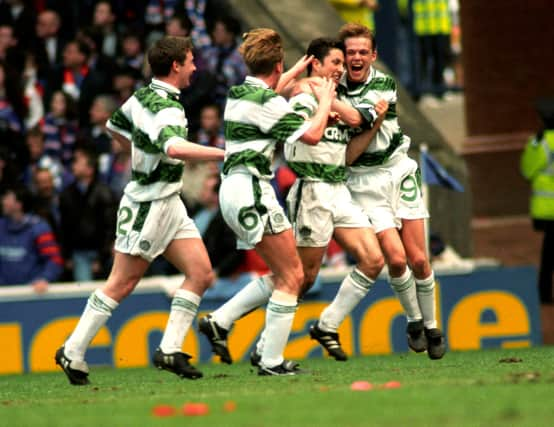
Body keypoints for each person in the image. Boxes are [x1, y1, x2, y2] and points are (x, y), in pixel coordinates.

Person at [55, 35, 225, 386]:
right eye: (191, 61)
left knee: (201, 274)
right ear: (176, 65)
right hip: (149, 203)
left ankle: (170, 349)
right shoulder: (166, 107)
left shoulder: (141, 95)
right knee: (122, 282)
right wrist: (225, 154)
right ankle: (72, 349)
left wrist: (140, 154)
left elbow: (114, 126)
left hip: (169, 200)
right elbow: (175, 148)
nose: (195, 67)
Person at [198, 28, 336, 376]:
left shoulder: (238, 92)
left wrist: (291, 71)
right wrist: (325, 100)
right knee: (293, 276)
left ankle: (220, 320)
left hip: (234, 189)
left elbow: (270, 91)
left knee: (284, 273)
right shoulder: (270, 104)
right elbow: (313, 134)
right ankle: (271, 360)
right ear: (277, 62)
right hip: (253, 191)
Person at [334, 22, 446, 359]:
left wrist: (362, 121)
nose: (356, 58)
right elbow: (350, 156)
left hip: (399, 171)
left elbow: (359, 124)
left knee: (420, 260)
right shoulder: (334, 91)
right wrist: (369, 121)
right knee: (395, 259)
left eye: (362, 52)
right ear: (343, 56)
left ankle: (432, 326)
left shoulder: (383, 83)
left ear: (373, 55)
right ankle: (414, 322)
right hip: (364, 182)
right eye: (350, 52)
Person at [284, 37, 386, 361]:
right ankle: (261, 342)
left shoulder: (335, 97)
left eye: (343, 63)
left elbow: (347, 157)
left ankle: (326, 325)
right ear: (316, 63)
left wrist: (376, 123)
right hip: (312, 189)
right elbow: (300, 130)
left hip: (337, 187)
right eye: (336, 63)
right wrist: (326, 105)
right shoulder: (303, 93)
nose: (341, 69)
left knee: (373, 260)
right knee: (303, 277)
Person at [520, 98, 554, 304]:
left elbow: (527, 170)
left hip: (547, 210)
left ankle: (544, 294)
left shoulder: (539, 143)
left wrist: (533, 147)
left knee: (548, 254)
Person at [0, 185, 64, 292]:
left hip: (30, 293)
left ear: (18, 204)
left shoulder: (39, 228)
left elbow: (54, 259)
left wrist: (45, 278)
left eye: (8, 198)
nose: (3, 201)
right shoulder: (1, 226)